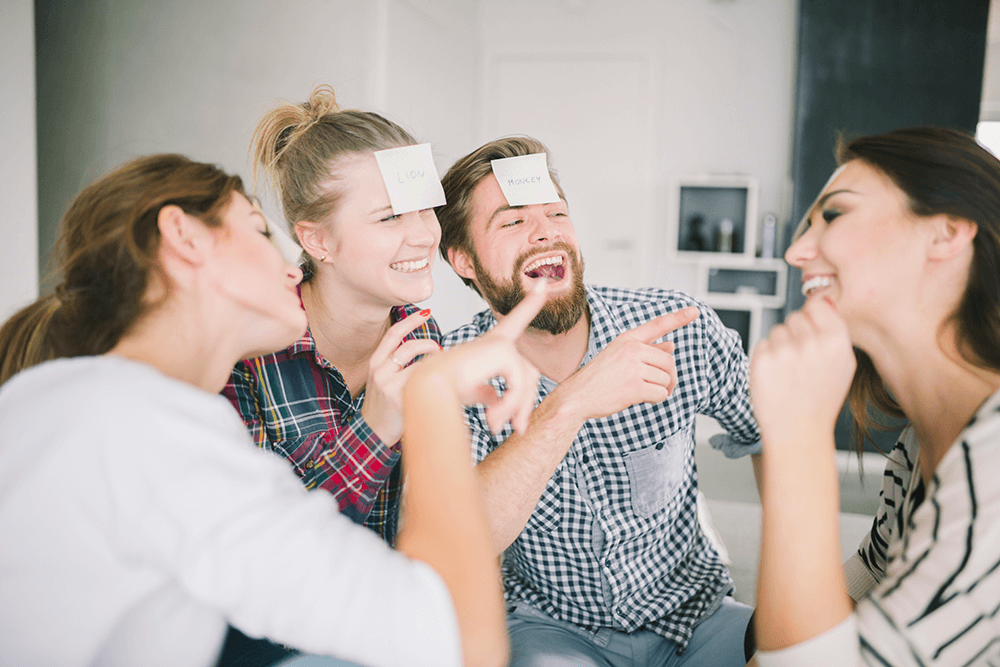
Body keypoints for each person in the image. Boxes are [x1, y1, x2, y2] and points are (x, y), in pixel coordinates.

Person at [0, 152, 549, 667]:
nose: (294, 268)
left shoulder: (54, 402)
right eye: (261, 231)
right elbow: (452, 637)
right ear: (183, 236)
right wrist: (431, 396)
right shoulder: (146, 428)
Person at [436, 136, 762, 667]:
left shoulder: (677, 327)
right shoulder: (451, 372)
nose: (546, 232)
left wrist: (783, 581)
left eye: (557, 213)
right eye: (513, 221)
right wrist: (572, 403)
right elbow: (462, 540)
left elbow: (769, 431)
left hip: (697, 616)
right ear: (463, 260)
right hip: (550, 631)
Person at [749, 126, 1000, 666]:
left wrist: (797, 436)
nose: (796, 252)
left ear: (947, 232)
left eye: (833, 215)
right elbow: (859, 589)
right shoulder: (915, 445)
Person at [223, 85, 442, 544]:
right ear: (318, 242)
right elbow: (264, 549)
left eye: (427, 208)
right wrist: (377, 428)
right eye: (390, 218)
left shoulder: (422, 339)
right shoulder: (244, 357)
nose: (424, 235)